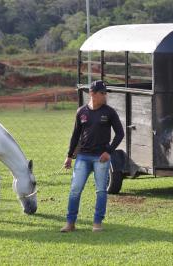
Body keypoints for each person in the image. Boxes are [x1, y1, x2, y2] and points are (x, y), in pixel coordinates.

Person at [60, 80, 124, 233]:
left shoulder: (109, 112)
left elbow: (120, 133)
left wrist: (108, 151)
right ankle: (70, 223)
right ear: (92, 94)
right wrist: (69, 156)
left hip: (101, 158)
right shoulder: (81, 112)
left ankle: (97, 223)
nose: (105, 95)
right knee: (75, 190)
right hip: (82, 157)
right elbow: (75, 135)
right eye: (102, 93)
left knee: (101, 190)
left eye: (105, 93)